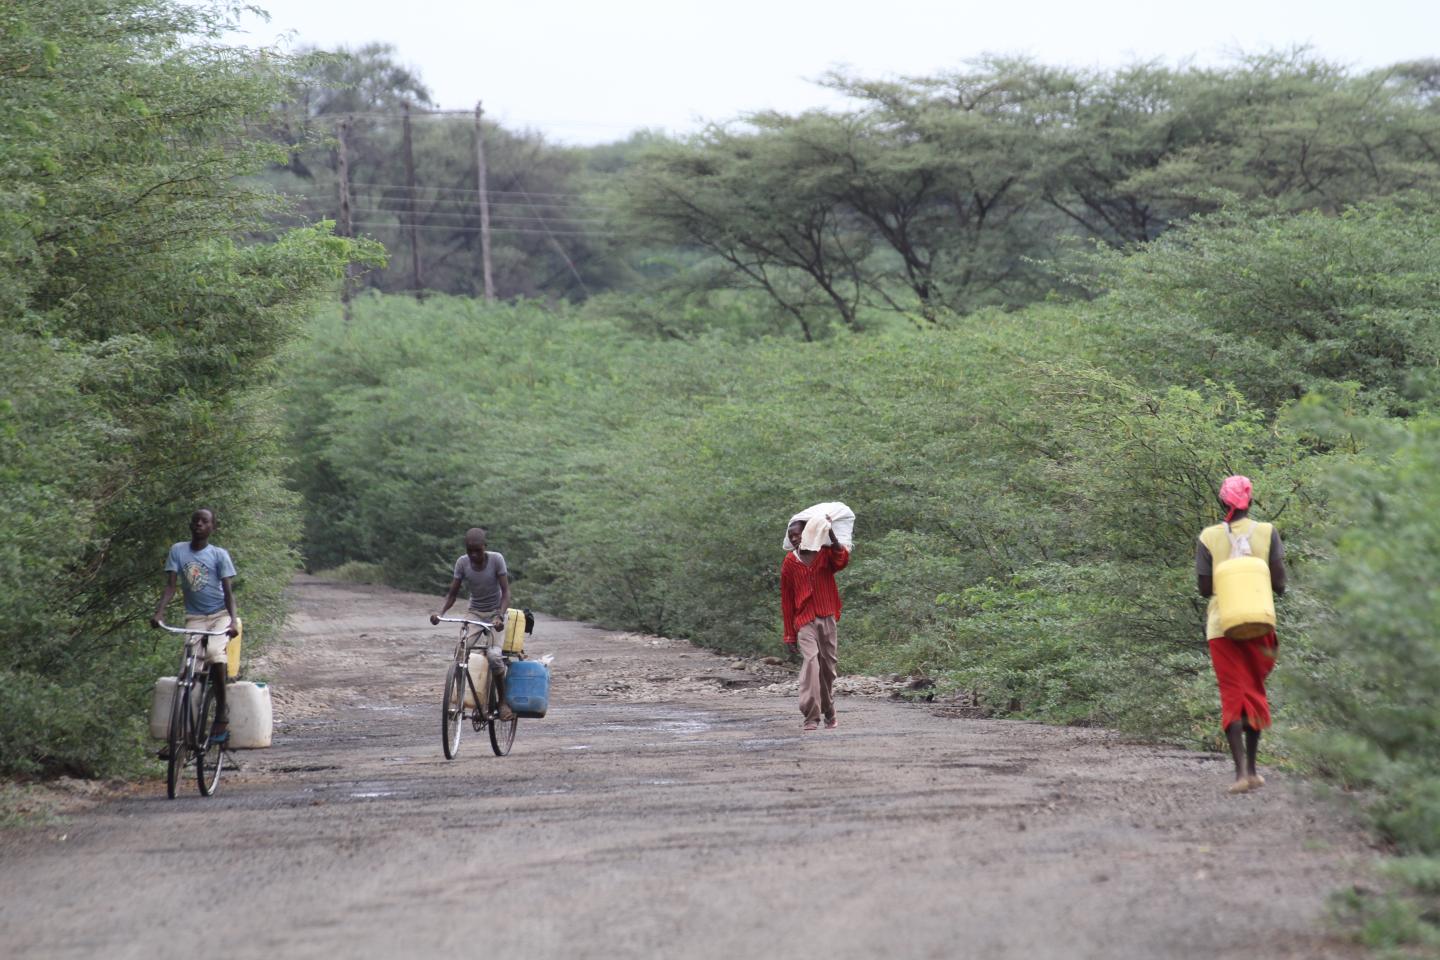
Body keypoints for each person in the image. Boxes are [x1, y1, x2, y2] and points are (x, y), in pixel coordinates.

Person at [1196, 475, 1287, 794]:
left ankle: (1240, 774)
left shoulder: (1208, 537)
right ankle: (1253, 769)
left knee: (1233, 694)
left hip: (1223, 627)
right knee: (1253, 691)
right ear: (1250, 501)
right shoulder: (1267, 532)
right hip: (1260, 624)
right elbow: (1280, 585)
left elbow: (1205, 589)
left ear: (1223, 502)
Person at [151, 508, 240, 744]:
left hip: (219, 615)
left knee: (214, 654)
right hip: (195, 617)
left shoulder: (219, 555)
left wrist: (232, 621)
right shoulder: (178, 551)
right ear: (190, 525)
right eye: (196, 521)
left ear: (213, 527)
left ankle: (221, 711)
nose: (199, 524)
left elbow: (229, 593)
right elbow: (170, 587)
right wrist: (159, 613)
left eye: (205, 521)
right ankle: (184, 734)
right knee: (190, 667)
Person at [430, 527, 514, 719]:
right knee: (461, 652)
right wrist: (439, 612)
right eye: (470, 550)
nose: (474, 555)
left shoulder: (496, 560)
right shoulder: (462, 563)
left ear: (485, 547)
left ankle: (503, 702)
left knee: (494, 656)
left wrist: (500, 616)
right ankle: (461, 700)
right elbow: (452, 594)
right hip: (475, 612)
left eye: (478, 550)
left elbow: (506, 592)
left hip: (496, 614)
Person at [781, 514, 850, 732]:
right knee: (811, 663)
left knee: (827, 668)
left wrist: (829, 531)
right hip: (804, 621)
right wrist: (789, 634)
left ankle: (828, 709)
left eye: (798, 534)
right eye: (791, 536)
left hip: (827, 616)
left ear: (808, 533)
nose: (794, 538)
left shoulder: (825, 554)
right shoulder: (790, 562)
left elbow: (842, 561)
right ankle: (811, 716)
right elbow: (787, 600)